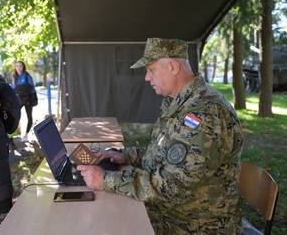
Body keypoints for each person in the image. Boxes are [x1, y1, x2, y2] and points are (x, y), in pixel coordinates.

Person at [77, 38, 243, 234]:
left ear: (172, 66)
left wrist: (106, 180)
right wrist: (126, 156)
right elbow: (164, 153)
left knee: (103, 223)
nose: (147, 78)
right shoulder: (180, 103)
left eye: (151, 70)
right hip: (174, 213)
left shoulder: (203, 113)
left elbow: (172, 187)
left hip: (193, 225)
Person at [12, 61, 36, 141]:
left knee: (29, 117)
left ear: (23, 67)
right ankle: (17, 132)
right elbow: (13, 89)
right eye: (17, 66)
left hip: (28, 99)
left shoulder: (27, 75)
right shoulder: (14, 76)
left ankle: (26, 135)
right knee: (15, 115)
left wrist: (31, 98)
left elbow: (32, 87)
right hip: (19, 99)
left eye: (20, 66)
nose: (19, 68)